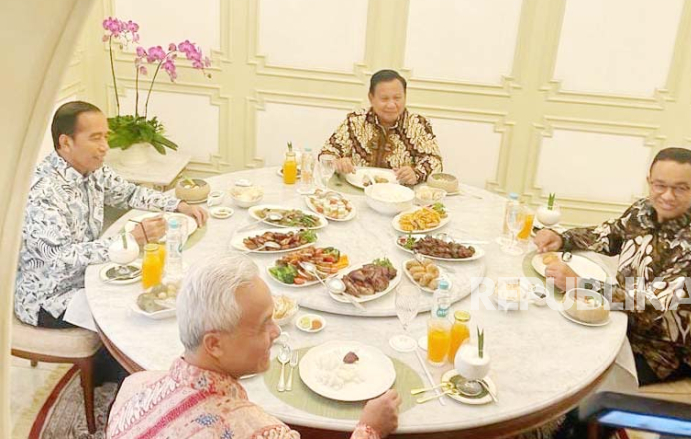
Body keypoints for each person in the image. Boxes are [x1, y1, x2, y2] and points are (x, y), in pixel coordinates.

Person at [107, 255, 401, 439]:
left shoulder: (133, 387)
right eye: (263, 324)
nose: (276, 333)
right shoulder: (261, 431)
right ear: (215, 344)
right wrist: (369, 429)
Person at [14, 101, 208, 328]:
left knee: (161, 294)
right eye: (96, 138)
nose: (105, 146)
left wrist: (177, 204)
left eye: (106, 137)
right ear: (66, 142)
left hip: (91, 277)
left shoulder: (93, 169)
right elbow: (60, 260)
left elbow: (129, 193)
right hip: (51, 298)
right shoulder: (42, 192)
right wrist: (131, 240)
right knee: (138, 317)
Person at [534, 147, 691, 386]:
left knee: (564, 378)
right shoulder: (644, 210)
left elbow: (654, 306)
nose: (668, 196)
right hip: (619, 321)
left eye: (680, 188)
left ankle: (568, 422)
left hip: (656, 353)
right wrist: (563, 238)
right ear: (649, 182)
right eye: (660, 185)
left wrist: (582, 285)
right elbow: (610, 234)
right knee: (544, 336)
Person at [319, 69, 442, 185]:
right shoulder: (355, 121)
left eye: (397, 98)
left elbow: (435, 162)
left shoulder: (418, 125)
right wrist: (337, 162)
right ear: (371, 98)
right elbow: (326, 152)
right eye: (384, 99)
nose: (391, 105)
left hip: (398, 194)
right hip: (357, 190)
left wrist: (416, 173)